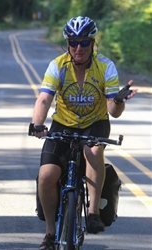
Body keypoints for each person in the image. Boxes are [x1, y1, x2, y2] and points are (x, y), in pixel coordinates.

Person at [30, 16, 137, 249]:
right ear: (67, 43)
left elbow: (113, 111)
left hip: (95, 123)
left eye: (84, 43)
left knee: (94, 151)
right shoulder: (57, 65)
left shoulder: (105, 67)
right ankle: (49, 233)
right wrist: (37, 124)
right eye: (73, 42)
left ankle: (92, 212)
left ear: (93, 42)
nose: (78, 48)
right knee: (47, 175)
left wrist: (118, 100)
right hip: (63, 124)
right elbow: (44, 99)